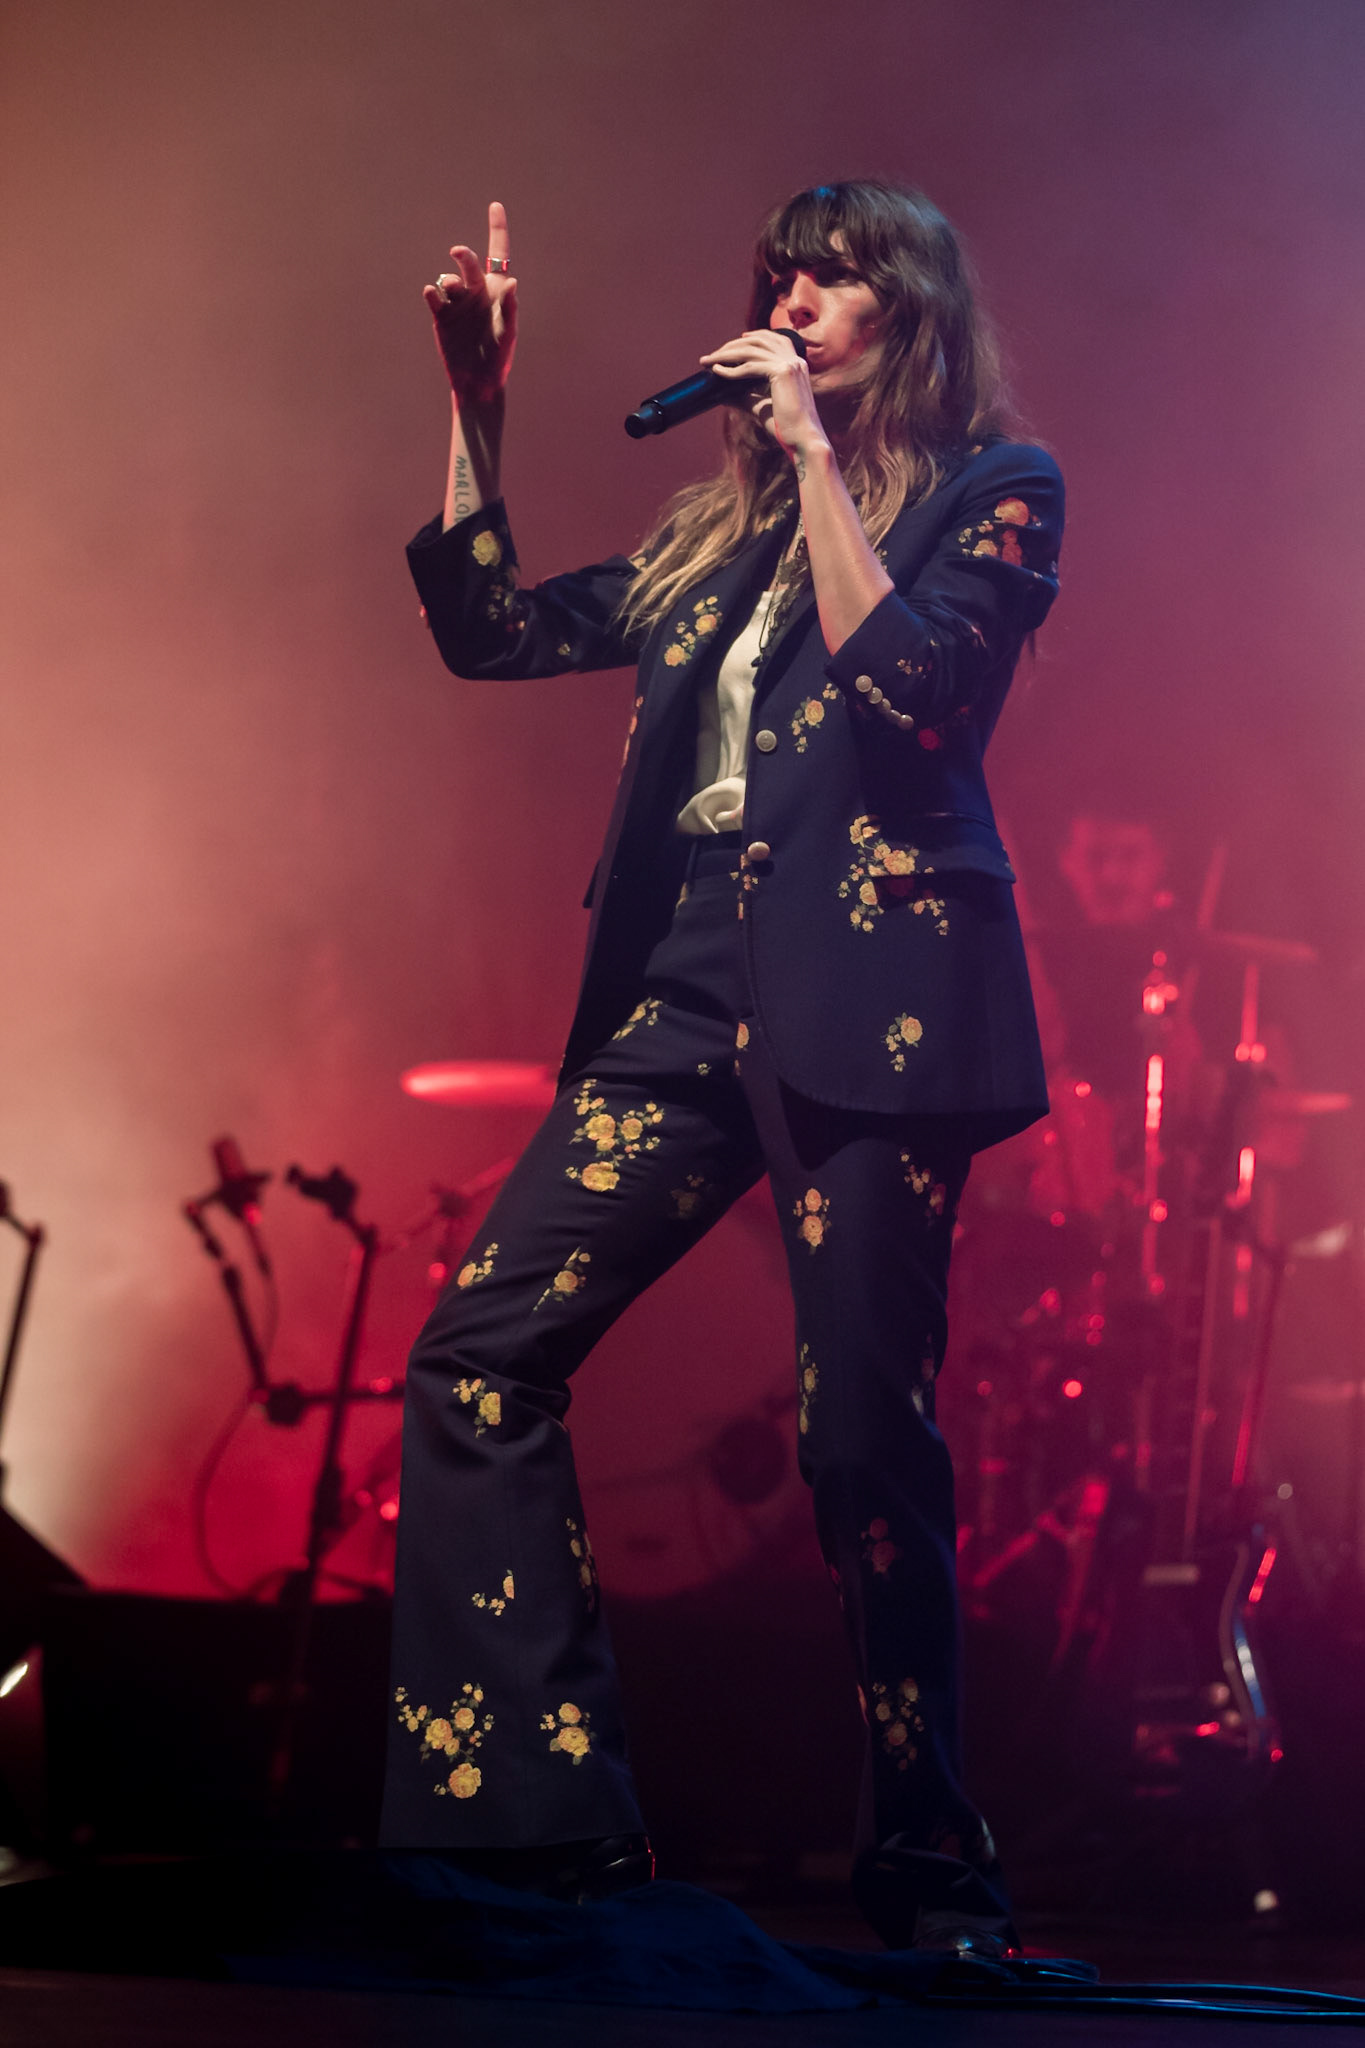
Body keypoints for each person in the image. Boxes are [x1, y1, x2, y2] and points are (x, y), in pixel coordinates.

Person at [380, 182, 1064, 1954]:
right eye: (780, 275)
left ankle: (927, 1861)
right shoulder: (716, 542)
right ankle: (537, 1826)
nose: (794, 298)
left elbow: (914, 692)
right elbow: (492, 630)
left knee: (857, 1438)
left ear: (907, 309)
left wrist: (817, 464)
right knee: (477, 1359)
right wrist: (478, 409)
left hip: (876, 987)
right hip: (687, 985)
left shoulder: (997, 492)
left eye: (833, 275)